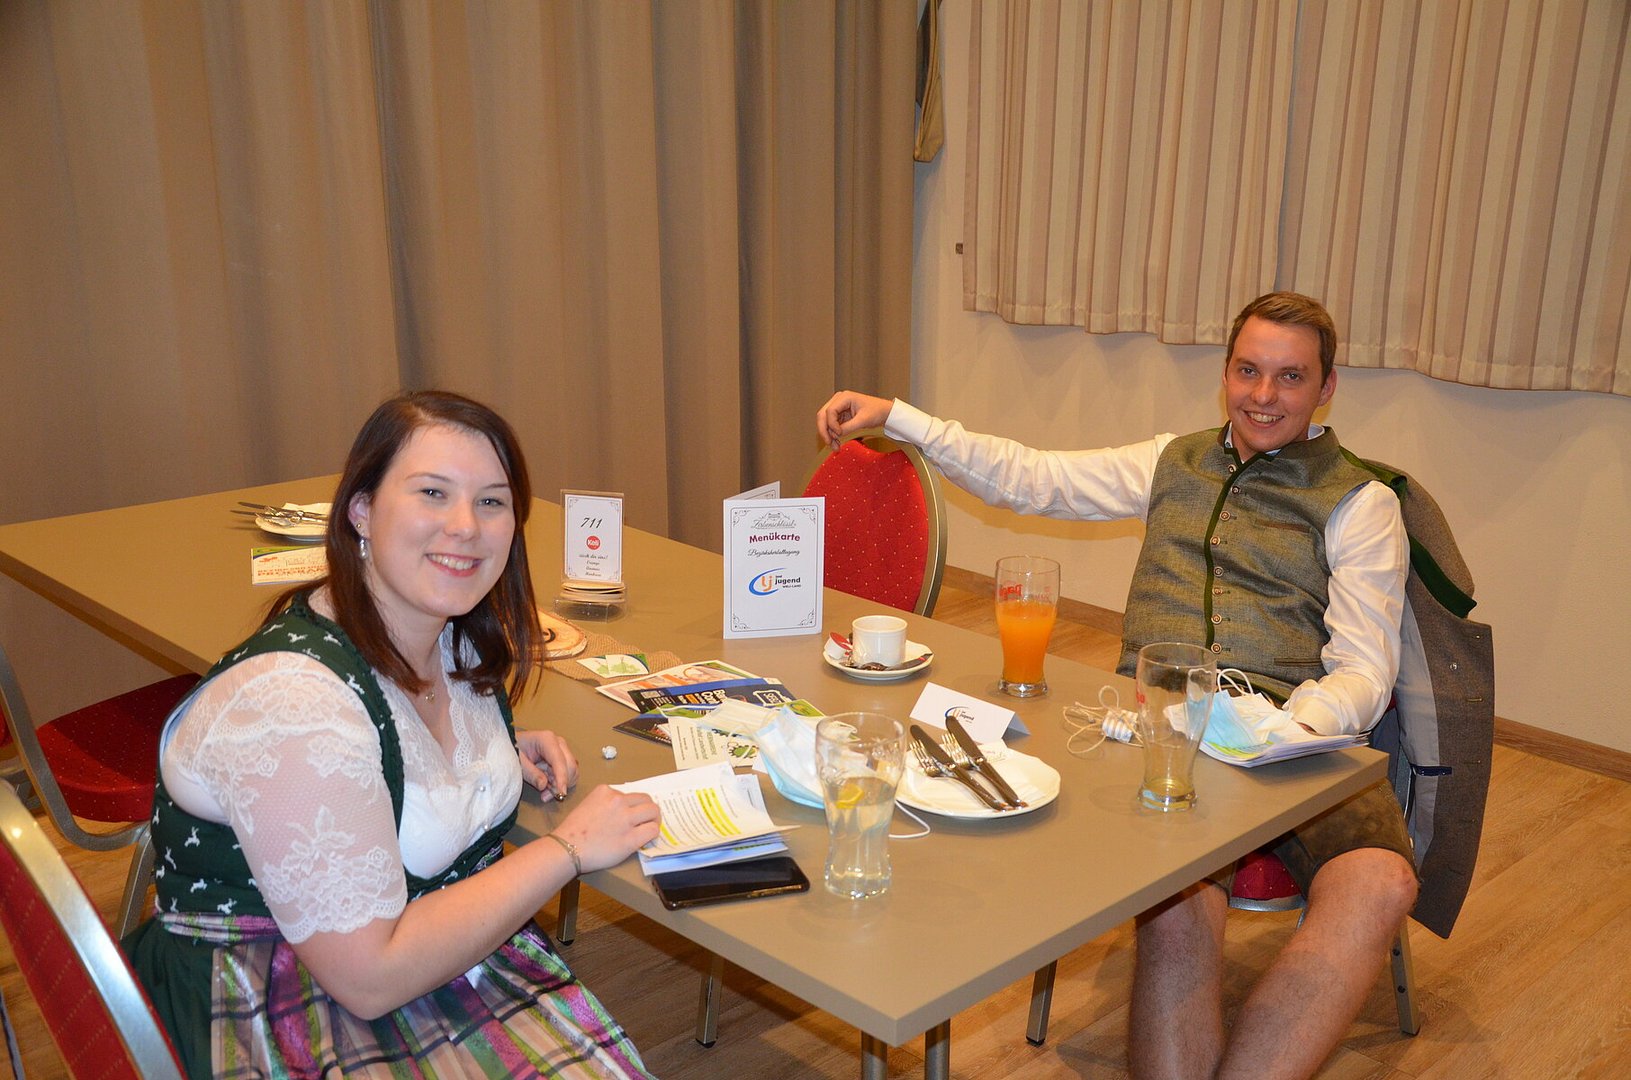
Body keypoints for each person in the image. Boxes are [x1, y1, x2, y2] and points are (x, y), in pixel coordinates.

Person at [817, 292, 1419, 1080]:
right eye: (1247, 371)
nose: (1263, 396)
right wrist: (901, 418)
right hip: (1157, 720)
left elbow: (1365, 668)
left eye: (1290, 377)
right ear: (1224, 374)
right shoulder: (1170, 461)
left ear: (1325, 387)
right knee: (1175, 897)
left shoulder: (1361, 503)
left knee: (1380, 882)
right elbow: (1030, 478)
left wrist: (1291, 728)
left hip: (1295, 735)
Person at [125, 391, 663, 1079]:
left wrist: (481, 754)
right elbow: (370, 978)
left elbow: (379, 734)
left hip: (403, 961)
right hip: (274, 997)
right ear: (361, 511)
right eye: (432, 493)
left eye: (492, 502)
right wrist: (568, 849)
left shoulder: (445, 637)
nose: (465, 526)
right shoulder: (293, 704)